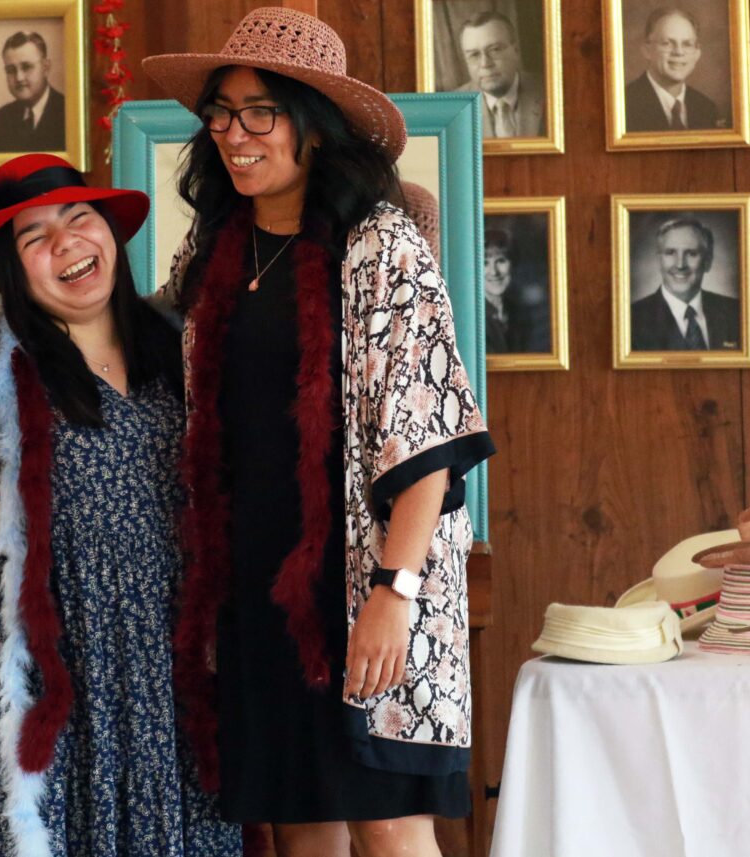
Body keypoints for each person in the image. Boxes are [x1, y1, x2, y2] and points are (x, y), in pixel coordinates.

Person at [144, 8, 495, 857]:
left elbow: (428, 443)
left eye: (260, 111)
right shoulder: (217, 248)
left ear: (313, 124)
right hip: (255, 588)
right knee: (301, 820)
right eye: (221, 113)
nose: (235, 133)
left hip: (367, 581)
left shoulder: (380, 247)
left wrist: (393, 594)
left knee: (386, 818)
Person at [0, 153, 240, 857]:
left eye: (80, 218)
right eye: (34, 237)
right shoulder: (2, 363)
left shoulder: (179, 344)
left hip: (181, 648)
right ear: (15, 272)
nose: (66, 243)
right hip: (63, 660)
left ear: (109, 232)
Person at [631, 216, 740, 351]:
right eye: (670, 253)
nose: (680, 264)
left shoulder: (736, 313)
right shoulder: (632, 320)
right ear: (659, 261)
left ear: (708, 262)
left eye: (691, 254)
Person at [625, 7, 721, 132]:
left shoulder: (706, 108)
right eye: (667, 43)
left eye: (687, 44)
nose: (678, 52)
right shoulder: (624, 105)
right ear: (647, 50)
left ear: (697, 53)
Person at [455, 11, 545, 138]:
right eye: (474, 55)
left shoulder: (550, 92)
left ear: (516, 51)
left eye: (495, 50)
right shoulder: (452, 107)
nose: (485, 63)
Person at [0, 32, 66, 153]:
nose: (19, 78)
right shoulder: (1, 119)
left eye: (26, 67)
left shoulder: (68, 112)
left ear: (46, 67)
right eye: (11, 70)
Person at [484, 227, 550, 354]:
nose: (494, 272)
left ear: (512, 264)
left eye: (501, 261)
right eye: (485, 263)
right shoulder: (470, 316)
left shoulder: (520, 313)